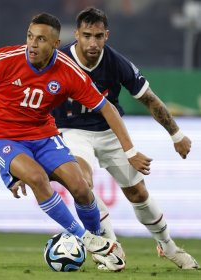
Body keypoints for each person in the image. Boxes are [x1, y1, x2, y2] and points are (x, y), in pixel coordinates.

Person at [0, 12, 153, 271]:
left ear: (55, 44)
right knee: (37, 177)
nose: (32, 44)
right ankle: (90, 240)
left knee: (82, 186)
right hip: (2, 135)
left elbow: (107, 108)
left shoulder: (68, 71)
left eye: (41, 39)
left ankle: (98, 246)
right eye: (30, 36)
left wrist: (129, 151)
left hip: (43, 135)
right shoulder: (2, 60)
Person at [52, 7, 199, 270]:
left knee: (138, 192)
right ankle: (110, 247)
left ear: (107, 35)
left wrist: (176, 134)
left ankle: (168, 246)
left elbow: (149, 99)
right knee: (82, 184)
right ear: (76, 35)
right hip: (72, 131)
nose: (93, 43)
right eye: (87, 35)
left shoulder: (116, 63)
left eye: (98, 36)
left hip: (110, 130)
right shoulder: (59, 60)